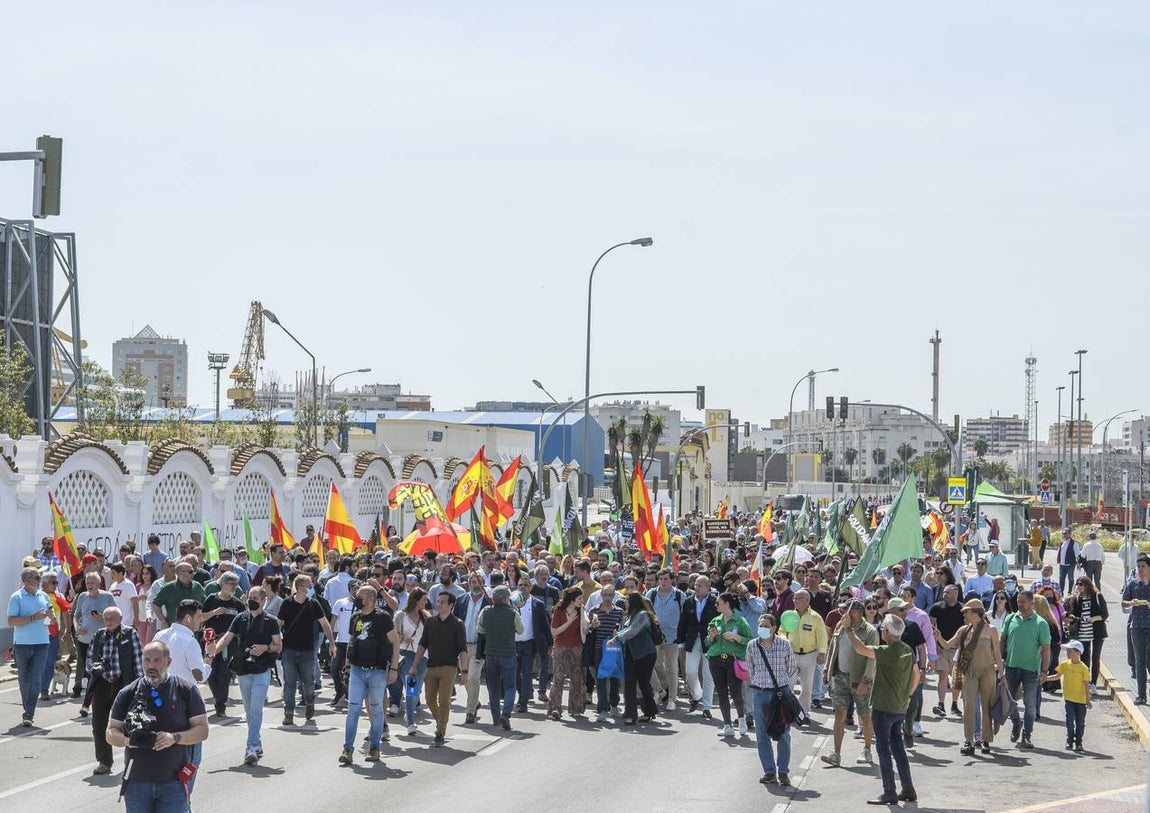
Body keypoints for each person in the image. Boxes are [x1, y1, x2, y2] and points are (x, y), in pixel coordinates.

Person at [106, 641, 209, 812]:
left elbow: (202, 730)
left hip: (173, 782)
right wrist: (128, 740)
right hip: (136, 782)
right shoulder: (128, 692)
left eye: (156, 660)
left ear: (168, 662)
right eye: (146, 660)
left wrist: (174, 738)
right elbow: (110, 732)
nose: (151, 666)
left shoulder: (186, 690)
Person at [843, 613, 920, 806]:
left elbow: (861, 649)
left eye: (883, 630)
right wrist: (907, 695)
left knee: (884, 749)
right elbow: (916, 674)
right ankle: (908, 788)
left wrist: (848, 629)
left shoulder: (889, 651)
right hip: (899, 707)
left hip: (884, 707)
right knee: (898, 748)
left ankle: (889, 791)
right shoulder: (907, 650)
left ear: (886, 632)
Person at [207, 586, 281, 764]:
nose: (251, 600)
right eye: (250, 596)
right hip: (243, 670)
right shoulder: (240, 618)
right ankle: (257, 742)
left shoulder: (271, 621)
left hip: (262, 671)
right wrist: (214, 651)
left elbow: (278, 646)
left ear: (263, 600)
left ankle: (251, 747)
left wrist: (265, 648)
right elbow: (227, 637)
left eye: (255, 597)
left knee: (256, 710)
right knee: (249, 711)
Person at [340, 585, 400, 764]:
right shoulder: (355, 617)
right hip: (358, 670)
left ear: (370, 599)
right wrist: (347, 667)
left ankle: (375, 747)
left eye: (360, 596)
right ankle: (347, 749)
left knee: (376, 708)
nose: (356, 598)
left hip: (377, 670)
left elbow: (395, 643)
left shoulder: (383, 618)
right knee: (353, 709)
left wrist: (394, 669)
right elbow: (352, 642)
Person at [88, 606, 144, 774]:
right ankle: (104, 762)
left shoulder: (129, 633)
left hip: (123, 683)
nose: (109, 621)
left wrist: (141, 684)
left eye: (112, 618)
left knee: (129, 723)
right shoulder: (99, 635)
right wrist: (93, 668)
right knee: (99, 724)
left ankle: (133, 760)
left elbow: (138, 658)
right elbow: (90, 657)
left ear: (120, 619)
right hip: (102, 683)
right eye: (106, 618)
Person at [822, 599, 877, 768]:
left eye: (851, 610)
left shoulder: (869, 631)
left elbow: (872, 657)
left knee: (864, 715)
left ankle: (867, 750)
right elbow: (833, 646)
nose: (846, 613)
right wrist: (827, 669)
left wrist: (866, 680)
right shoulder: (841, 625)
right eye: (845, 609)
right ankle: (836, 753)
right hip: (840, 676)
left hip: (859, 678)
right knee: (839, 713)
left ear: (859, 612)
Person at [946, 598, 1003, 755]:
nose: (964, 615)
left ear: (976, 612)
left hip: (988, 671)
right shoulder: (964, 630)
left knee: (986, 706)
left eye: (967, 612)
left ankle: (985, 740)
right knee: (969, 705)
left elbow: (997, 653)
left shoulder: (991, 629)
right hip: (970, 672)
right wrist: (937, 636)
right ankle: (969, 741)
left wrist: (1002, 674)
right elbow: (947, 645)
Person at [746, 612, 797, 787]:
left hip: (780, 694)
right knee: (761, 734)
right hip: (760, 693)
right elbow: (750, 668)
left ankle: (783, 772)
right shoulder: (752, 645)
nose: (763, 628)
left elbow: (791, 668)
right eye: (761, 625)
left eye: (766, 626)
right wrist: (760, 683)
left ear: (774, 628)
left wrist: (783, 687)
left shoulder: (784, 644)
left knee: (783, 733)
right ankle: (769, 771)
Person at [413, 591, 468, 746]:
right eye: (438, 601)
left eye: (443, 602)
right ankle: (441, 722)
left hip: (449, 667)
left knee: (444, 701)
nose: (439, 604)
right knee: (430, 700)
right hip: (431, 667)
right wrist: (415, 665)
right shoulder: (430, 622)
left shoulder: (457, 624)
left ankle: (440, 733)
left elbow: (463, 650)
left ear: (450, 605)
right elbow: (422, 644)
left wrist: (464, 672)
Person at [1002, 590, 1052, 749]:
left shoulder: (1041, 623)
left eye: (1023, 602)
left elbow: (1045, 649)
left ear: (1032, 603)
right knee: (1008, 701)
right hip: (1011, 667)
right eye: (1018, 601)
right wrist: (1000, 659)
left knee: (1030, 704)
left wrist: (1044, 670)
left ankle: (1026, 735)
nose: (1020, 604)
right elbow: (1002, 640)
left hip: (1031, 670)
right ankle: (1016, 722)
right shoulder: (1011, 618)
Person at [7, 566, 51, 726]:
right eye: (37, 578)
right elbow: (11, 621)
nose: (41, 581)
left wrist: (50, 618)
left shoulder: (44, 596)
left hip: (42, 643)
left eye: (40, 577)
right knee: (24, 680)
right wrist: (33, 617)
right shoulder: (16, 597)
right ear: (26, 580)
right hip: (22, 645)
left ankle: (29, 712)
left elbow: (48, 616)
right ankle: (28, 708)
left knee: (36, 678)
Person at [705, 591, 753, 737]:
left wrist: (736, 637)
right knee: (721, 693)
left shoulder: (740, 621)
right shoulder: (715, 621)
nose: (716, 605)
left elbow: (750, 641)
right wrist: (711, 637)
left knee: (735, 692)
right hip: (716, 659)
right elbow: (707, 643)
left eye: (718, 602)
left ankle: (742, 719)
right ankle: (727, 725)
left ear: (726, 604)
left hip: (733, 660)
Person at [477, 585, 524, 730]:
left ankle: (495, 718)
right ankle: (506, 713)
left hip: (491, 654)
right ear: (505, 598)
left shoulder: (485, 611)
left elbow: (480, 628)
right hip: (508, 655)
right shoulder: (512, 613)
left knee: (493, 689)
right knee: (510, 687)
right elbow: (521, 630)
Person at [610, 592, 660, 724]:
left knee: (643, 683)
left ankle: (649, 711)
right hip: (631, 654)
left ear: (633, 601)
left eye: (627, 599)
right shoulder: (629, 615)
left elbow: (633, 630)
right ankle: (630, 714)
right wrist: (616, 635)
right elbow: (624, 630)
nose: (624, 601)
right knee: (629, 684)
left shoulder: (642, 615)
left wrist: (616, 638)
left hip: (645, 654)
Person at [200, 572, 244, 717]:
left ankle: (221, 705)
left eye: (235, 584)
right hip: (211, 640)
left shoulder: (237, 603)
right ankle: (217, 696)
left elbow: (243, 622)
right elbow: (201, 617)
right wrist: (214, 612)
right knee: (211, 671)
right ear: (222, 584)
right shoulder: (211, 599)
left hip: (228, 643)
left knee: (224, 672)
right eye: (229, 583)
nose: (232, 587)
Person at [72, 572, 116, 708]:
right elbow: (76, 615)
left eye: (92, 583)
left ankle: (87, 704)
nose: (90, 586)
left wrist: (103, 617)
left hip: (102, 640)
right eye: (88, 583)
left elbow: (116, 615)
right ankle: (92, 698)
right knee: (89, 670)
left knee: (95, 671)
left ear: (99, 584)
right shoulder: (82, 597)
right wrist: (77, 626)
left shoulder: (107, 597)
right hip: (84, 639)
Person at [678, 575, 718, 718]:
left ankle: (706, 707)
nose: (697, 587)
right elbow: (682, 623)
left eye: (701, 585)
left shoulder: (715, 602)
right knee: (690, 672)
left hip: (710, 643)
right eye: (696, 584)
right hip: (692, 641)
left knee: (708, 675)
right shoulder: (688, 602)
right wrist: (681, 643)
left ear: (708, 587)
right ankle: (696, 696)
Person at [784, 588, 828, 718]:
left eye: (798, 598)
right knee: (789, 683)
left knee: (807, 686)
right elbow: (781, 631)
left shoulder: (815, 617)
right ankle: (789, 710)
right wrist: (785, 640)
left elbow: (822, 636)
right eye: (794, 598)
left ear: (807, 601)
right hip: (792, 654)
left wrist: (822, 653)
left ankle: (804, 712)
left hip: (809, 655)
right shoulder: (789, 615)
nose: (794, 601)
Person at [452, 573, 490, 723]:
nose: (476, 585)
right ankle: (475, 702)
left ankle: (470, 712)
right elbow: (453, 622)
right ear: (469, 584)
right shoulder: (461, 600)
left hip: (479, 645)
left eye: (479, 582)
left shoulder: (488, 601)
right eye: (473, 582)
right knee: (465, 678)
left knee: (473, 677)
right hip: (462, 647)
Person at [646, 568, 684, 710]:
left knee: (671, 667)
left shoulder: (680, 595)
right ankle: (661, 690)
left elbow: (685, 614)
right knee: (654, 665)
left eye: (666, 579)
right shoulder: (652, 594)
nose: (663, 582)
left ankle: (672, 699)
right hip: (654, 635)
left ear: (672, 580)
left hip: (672, 637)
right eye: (661, 579)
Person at [1043, 639, 1092, 752]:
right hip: (1069, 698)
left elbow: (1086, 685)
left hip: (1080, 700)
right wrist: (1046, 678)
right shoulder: (1065, 665)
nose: (1068, 653)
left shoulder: (1083, 668)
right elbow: (1057, 675)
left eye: (1070, 651)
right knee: (1069, 720)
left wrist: (1087, 700)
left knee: (1080, 722)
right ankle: (1069, 740)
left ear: (1078, 653)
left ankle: (1079, 742)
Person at [513, 576, 553, 712]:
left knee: (526, 673)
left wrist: (550, 642)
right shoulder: (511, 603)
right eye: (520, 585)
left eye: (525, 585)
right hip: (513, 644)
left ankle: (523, 702)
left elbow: (545, 624)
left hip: (529, 644)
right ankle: (521, 695)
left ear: (530, 587)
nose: (522, 587)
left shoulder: (538, 604)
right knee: (515, 674)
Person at [547, 587, 587, 720]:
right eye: (580, 598)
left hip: (576, 644)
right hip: (560, 645)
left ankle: (575, 708)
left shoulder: (581, 610)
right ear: (572, 599)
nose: (582, 601)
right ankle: (555, 708)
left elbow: (585, 626)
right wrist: (569, 622)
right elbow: (554, 631)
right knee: (558, 677)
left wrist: (591, 624)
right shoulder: (559, 610)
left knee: (576, 677)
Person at [394, 586, 430, 735]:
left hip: (422, 656)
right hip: (406, 654)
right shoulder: (400, 615)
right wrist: (403, 638)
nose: (426, 602)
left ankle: (409, 712)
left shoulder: (426, 616)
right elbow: (393, 635)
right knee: (411, 688)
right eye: (423, 599)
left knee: (416, 690)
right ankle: (411, 722)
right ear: (415, 600)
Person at [588, 581, 625, 722]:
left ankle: (614, 705)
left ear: (614, 595)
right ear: (601, 595)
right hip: (599, 649)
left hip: (614, 650)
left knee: (615, 679)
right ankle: (602, 709)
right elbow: (588, 630)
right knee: (601, 680)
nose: (607, 597)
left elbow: (623, 630)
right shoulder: (594, 611)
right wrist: (592, 625)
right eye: (605, 594)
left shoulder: (620, 612)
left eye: (610, 595)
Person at [1065, 576, 1108, 691]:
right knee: (1084, 657)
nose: (1078, 587)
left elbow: (1105, 614)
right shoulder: (1077, 599)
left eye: (1081, 584)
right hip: (1082, 631)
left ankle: (1093, 683)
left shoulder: (1097, 596)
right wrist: (1070, 617)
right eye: (1077, 584)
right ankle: (1086, 682)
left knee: (1095, 657)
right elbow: (1075, 616)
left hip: (1096, 631)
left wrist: (1094, 618)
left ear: (1087, 585)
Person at [929, 584, 964, 717]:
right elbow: (931, 627)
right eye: (944, 592)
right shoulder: (936, 607)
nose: (945, 594)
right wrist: (933, 647)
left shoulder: (962, 609)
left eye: (948, 592)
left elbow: (967, 628)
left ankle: (954, 704)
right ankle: (941, 704)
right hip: (942, 649)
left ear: (955, 593)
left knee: (956, 679)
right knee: (943, 676)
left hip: (958, 650)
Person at [39, 572, 72, 700]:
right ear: (44, 583)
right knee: (37, 663)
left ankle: (44, 690)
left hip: (52, 637)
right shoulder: (37, 596)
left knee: (49, 663)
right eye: (53, 582)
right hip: (37, 636)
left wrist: (68, 630)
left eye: (56, 582)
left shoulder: (57, 596)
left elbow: (66, 612)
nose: (55, 585)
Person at [1122, 555, 1150, 704]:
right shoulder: (1133, 584)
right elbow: (1123, 603)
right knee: (1140, 661)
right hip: (1137, 626)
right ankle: (1141, 695)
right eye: (1138, 567)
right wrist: (1131, 603)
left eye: (1143, 566)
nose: (1140, 569)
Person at [152, 562, 206, 629]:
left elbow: (205, 603)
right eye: (191, 571)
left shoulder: (197, 586)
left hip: (195, 631)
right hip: (175, 631)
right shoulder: (169, 587)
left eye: (193, 571)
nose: (193, 574)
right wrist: (163, 621)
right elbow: (155, 604)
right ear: (179, 572)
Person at [1057, 529, 1081, 597]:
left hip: (1070, 564)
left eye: (1065, 533)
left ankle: (1070, 592)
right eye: (1063, 533)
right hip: (1062, 564)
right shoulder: (1062, 542)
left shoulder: (1074, 543)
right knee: (1061, 578)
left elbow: (1077, 553)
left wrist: (1078, 563)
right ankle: (1061, 593)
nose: (1064, 535)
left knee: (1070, 578)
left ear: (1070, 534)